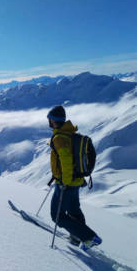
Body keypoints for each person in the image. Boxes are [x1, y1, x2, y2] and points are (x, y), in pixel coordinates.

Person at [47, 105, 102, 251]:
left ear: (53, 120)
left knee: (57, 216)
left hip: (66, 183)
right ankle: (78, 237)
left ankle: (89, 238)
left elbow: (65, 161)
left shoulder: (59, 137)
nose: (49, 122)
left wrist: (64, 182)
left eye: (50, 119)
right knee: (74, 211)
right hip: (76, 181)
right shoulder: (69, 134)